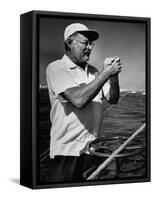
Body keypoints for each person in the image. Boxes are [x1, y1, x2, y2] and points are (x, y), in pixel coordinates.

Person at [46, 23, 122, 182]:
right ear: (69, 43)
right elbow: (78, 100)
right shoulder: (56, 68)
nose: (89, 47)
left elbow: (112, 99)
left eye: (91, 44)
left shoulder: (94, 71)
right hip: (67, 152)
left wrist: (113, 78)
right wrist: (106, 73)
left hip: (92, 149)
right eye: (84, 43)